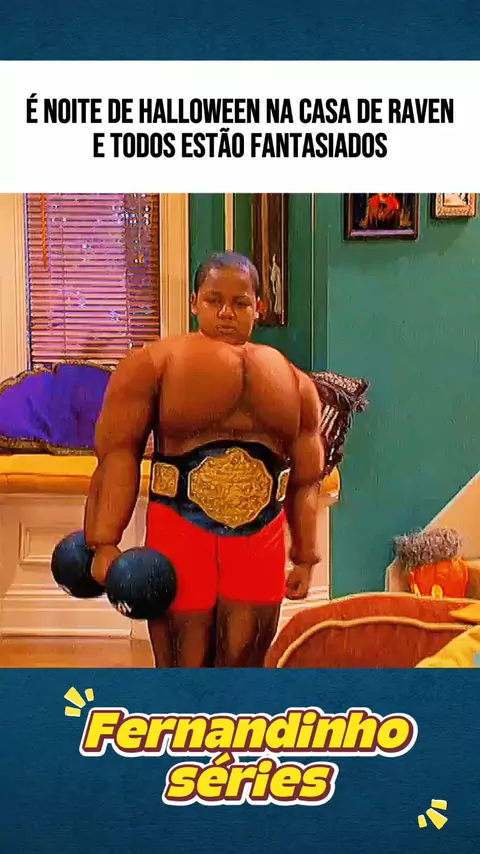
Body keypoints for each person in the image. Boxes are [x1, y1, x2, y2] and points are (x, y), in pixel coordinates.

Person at [84, 252, 324, 668]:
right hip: (181, 530)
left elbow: (306, 477)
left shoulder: (294, 382)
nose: (227, 313)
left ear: (258, 307)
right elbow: (118, 454)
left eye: (241, 303)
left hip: (261, 537)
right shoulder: (153, 364)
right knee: (183, 664)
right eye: (215, 300)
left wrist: (304, 555)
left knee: (245, 665)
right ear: (195, 302)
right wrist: (104, 542)